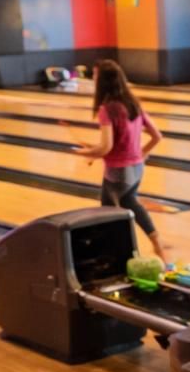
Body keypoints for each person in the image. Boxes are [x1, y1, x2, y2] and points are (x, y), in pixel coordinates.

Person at [70, 60, 168, 262]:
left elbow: (106, 147)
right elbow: (156, 136)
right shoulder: (133, 104)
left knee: (109, 214)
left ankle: (119, 255)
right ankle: (156, 244)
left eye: (96, 76)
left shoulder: (107, 109)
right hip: (137, 169)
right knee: (129, 203)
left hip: (118, 173)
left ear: (103, 82)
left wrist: (85, 153)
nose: (93, 79)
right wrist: (141, 154)